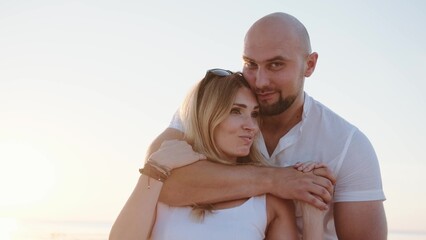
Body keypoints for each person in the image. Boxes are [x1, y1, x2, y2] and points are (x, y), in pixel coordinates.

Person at [146, 12, 387, 239]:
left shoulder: (348, 145)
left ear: (310, 65)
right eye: (251, 64)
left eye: (275, 65)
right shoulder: (207, 112)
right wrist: (277, 180)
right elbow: (157, 180)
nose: (260, 81)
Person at [110, 70, 326, 240]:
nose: (251, 126)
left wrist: (313, 215)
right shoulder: (166, 178)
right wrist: (156, 166)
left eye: (254, 114)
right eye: (236, 111)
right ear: (209, 116)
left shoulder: (269, 201)